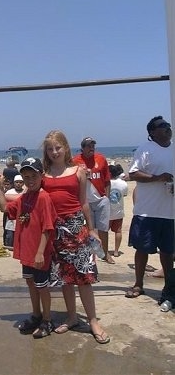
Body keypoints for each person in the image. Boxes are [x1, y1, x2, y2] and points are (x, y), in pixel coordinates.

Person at [42, 130, 110, 344]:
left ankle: (92, 321)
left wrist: (91, 230)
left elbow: (84, 203)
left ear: (66, 148)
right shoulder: (43, 174)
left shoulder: (79, 171)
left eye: (58, 148)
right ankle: (72, 317)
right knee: (65, 278)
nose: (54, 152)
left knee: (84, 278)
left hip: (77, 227)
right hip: (55, 230)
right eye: (50, 149)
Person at [0, 158, 58, 339]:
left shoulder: (43, 197)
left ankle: (47, 319)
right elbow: (5, 209)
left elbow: (48, 228)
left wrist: (40, 252)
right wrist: (0, 188)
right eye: (26, 176)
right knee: (31, 283)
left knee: (42, 286)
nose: (30, 180)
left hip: (39, 253)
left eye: (33, 175)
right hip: (26, 252)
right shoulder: (25, 197)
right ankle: (36, 314)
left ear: (41, 176)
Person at [125, 116, 174, 302]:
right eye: (162, 126)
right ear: (152, 132)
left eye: (168, 125)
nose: (167, 127)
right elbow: (133, 173)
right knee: (142, 249)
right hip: (147, 211)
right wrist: (157, 177)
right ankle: (138, 284)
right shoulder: (145, 149)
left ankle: (169, 288)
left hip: (169, 212)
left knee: (168, 252)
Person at [73, 137, 113, 264]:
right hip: (85, 200)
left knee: (103, 229)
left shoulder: (101, 159)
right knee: (87, 229)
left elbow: (107, 180)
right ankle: (90, 255)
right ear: (82, 148)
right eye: (88, 146)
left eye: (93, 146)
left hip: (101, 199)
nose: (91, 148)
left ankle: (105, 254)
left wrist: (106, 196)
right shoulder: (75, 160)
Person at [108, 164, 128, 257]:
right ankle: (116, 251)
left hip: (107, 212)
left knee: (104, 231)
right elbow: (124, 195)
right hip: (119, 211)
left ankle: (105, 249)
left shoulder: (107, 183)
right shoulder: (123, 183)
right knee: (118, 231)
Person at [3, 174, 25, 247]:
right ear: (14, 183)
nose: (18, 184)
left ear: (23, 183)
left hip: (21, 220)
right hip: (10, 220)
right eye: (17, 182)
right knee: (9, 237)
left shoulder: (25, 192)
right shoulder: (9, 192)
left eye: (20, 182)